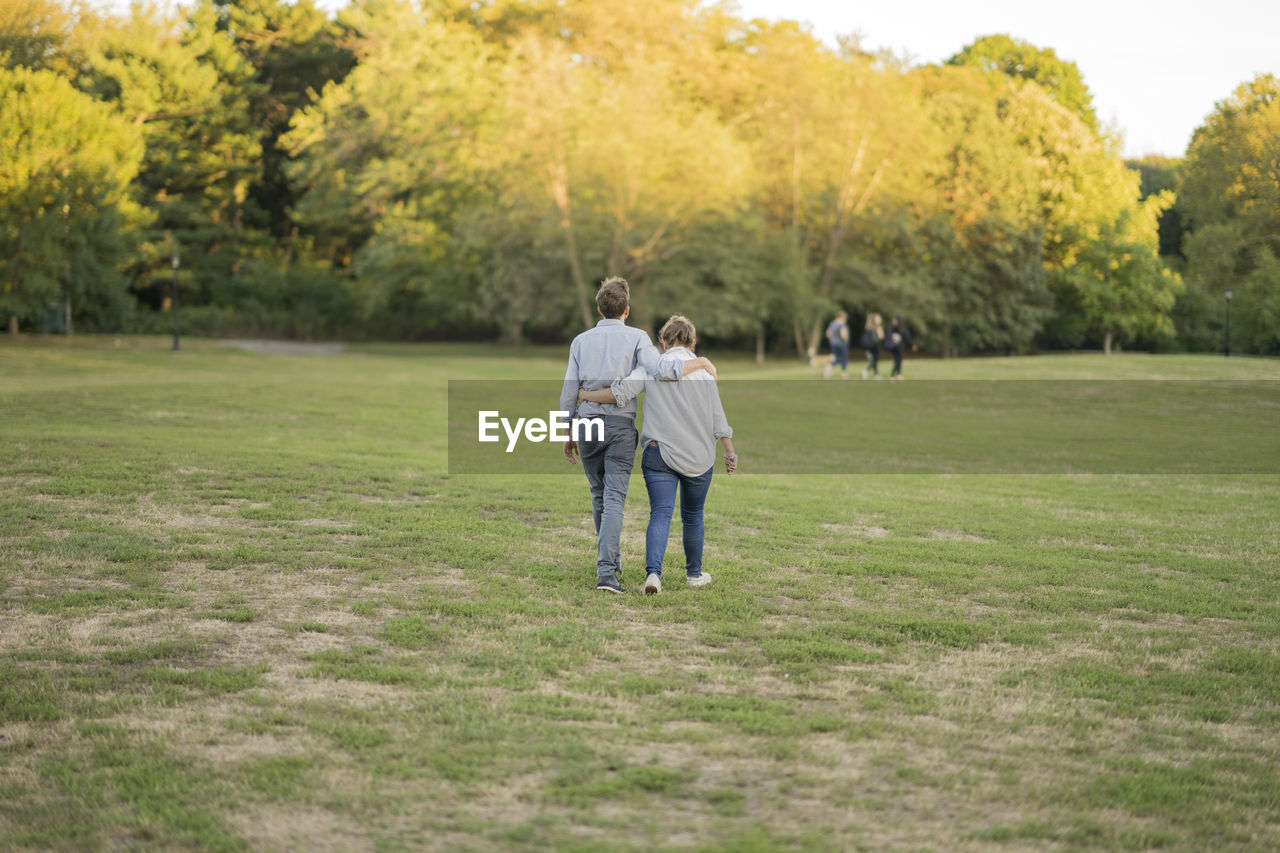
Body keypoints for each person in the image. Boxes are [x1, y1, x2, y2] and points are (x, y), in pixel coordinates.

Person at [559, 277, 716, 594]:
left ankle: (610, 562)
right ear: (626, 310)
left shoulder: (580, 342)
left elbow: (569, 392)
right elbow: (661, 370)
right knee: (614, 497)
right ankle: (606, 573)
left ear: (599, 309)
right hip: (619, 426)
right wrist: (699, 360)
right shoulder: (637, 338)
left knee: (598, 495)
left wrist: (568, 430)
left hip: (587, 422)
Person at [884, 314, 917, 381]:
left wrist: (912, 344)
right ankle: (893, 375)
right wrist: (912, 345)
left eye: (894, 320)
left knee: (898, 361)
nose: (893, 321)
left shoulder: (894, 328)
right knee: (897, 361)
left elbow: (907, 338)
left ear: (897, 321)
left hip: (895, 348)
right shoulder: (900, 329)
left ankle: (899, 375)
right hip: (897, 348)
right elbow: (908, 337)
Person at [824, 311, 851, 379]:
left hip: (833, 343)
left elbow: (828, 334)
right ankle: (844, 374)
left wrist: (833, 339)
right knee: (843, 358)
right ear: (842, 317)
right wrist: (847, 340)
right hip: (842, 344)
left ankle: (828, 367)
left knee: (835, 357)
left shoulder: (832, 324)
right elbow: (843, 335)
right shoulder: (842, 324)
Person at [860, 313, 884, 379]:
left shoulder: (868, 327)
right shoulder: (877, 326)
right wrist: (879, 326)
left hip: (868, 346)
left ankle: (876, 374)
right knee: (875, 359)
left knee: (873, 360)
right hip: (875, 345)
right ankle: (867, 371)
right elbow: (881, 336)